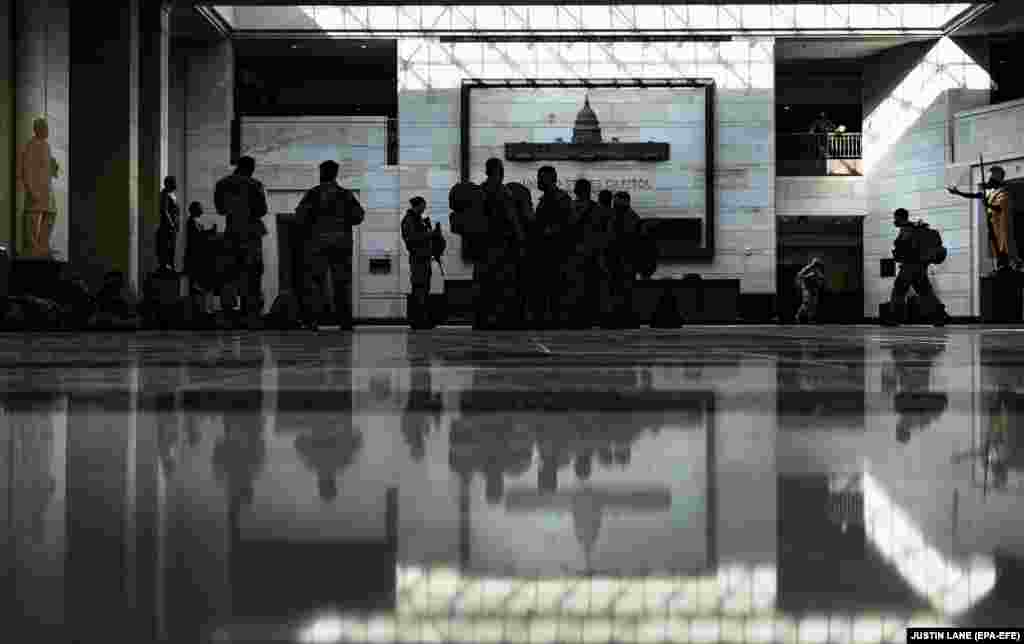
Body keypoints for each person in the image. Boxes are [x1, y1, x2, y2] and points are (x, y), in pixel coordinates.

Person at [294, 160, 365, 331]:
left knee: (315, 283)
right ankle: (345, 321)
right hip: (341, 245)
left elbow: (300, 216)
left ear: (322, 173)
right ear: (335, 174)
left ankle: (313, 321)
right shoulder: (345, 194)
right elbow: (358, 216)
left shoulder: (313, 194)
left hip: (317, 245)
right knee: (342, 283)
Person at [214, 155, 269, 329]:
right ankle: (250, 315)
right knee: (252, 275)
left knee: (229, 275)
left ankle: (229, 315)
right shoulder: (255, 185)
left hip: (232, 233)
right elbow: (262, 210)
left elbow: (220, 210)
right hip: (251, 235)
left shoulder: (223, 184)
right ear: (250, 168)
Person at [475, 158, 526, 330]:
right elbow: (511, 215)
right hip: (501, 244)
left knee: (484, 282)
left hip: (482, 244)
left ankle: (483, 318)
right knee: (502, 282)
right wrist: (520, 237)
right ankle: (499, 318)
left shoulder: (480, 189)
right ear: (499, 170)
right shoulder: (502, 191)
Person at [948, 166, 1021, 273]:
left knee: (1005, 244)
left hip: (1002, 224)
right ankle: (1001, 264)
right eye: (989, 180)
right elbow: (973, 195)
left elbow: (1000, 208)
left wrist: (988, 205)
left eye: (992, 180)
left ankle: (1013, 263)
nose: (989, 182)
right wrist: (958, 193)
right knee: (995, 245)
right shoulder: (987, 192)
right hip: (992, 223)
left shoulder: (1002, 192)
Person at [885, 208, 948, 327]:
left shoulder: (906, 229)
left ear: (900, 217)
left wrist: (898, 251)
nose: (894, 220)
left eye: (896, 217)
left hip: (910, 267)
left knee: (899, 290)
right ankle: (940, 315)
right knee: (925, 292)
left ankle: (894, 317)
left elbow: (905, 247)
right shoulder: (915, 227)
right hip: (919, 267)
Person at [534, 166, 574, 328]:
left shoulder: (559, 199)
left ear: (550, 179)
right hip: (549, 253)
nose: (538, 181)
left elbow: (568, 226)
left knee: (554, 290)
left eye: (541, 178)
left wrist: (548, 231)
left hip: (556, 253)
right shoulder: (551, 198)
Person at [16, 117, 59, 258]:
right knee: (32, 217)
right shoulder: (31, 145)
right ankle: (33, 246)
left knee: (51, 213)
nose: (47, 130)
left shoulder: (46, 145)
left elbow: (47, 166)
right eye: (45, 128)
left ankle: (42, 244)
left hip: (46, 188)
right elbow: (26, 168)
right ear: (38, 129)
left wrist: (53, 167)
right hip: (35, 188)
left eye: (47, 128)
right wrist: (31, 189)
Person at [604, 191, 641, 328]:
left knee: (620, 291)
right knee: (622, 291)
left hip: (622, 260)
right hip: (622, 261)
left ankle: (621, 318)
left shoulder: (618, 218)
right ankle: (623, 317)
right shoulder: (632, 218)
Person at [571, 179, 602, 328]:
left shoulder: (570, 207)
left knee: (576, 287)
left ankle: (578, 316)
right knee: (590, 288)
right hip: (591, 254)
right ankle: (589, 317)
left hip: (575, 253)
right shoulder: (596, 209)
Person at [402, 196, 434, 329]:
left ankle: (421, 319)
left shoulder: (417, 219)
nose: (424, 208)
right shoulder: (409, 220)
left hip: (423, 258)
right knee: (419, 288)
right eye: (423, 205)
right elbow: (412, 239)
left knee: (423, 288)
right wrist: (429, 234)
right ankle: (418, 320)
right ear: (418, 205)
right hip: (418, 259)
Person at [184, 201, 215, 316]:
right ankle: (196, 309)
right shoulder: (191, 222)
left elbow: (200, 235)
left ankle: (199, 308)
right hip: (194, 257)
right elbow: (197, 237)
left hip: (197, 257)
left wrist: (209, 232)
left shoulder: (195, 222)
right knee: (194, 283)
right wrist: (209, 232)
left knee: (197, 284)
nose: (202, 210)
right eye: (200, 208)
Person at [157, 176, 180, 272]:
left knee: (172, 248)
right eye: (173, 182)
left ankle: (171, 266)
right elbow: (164, 210)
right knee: (166, 247)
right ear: (168, 183)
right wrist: (171, 223)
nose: (175, 184)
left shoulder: (172, 194)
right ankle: (166, 267)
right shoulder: (165, 194)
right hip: (167, 227)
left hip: (173, 226)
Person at [795, 257, 826, 323]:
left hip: (814, 290)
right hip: (807, 289)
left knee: (812, 305)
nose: (817, 266)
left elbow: (821, 280)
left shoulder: (818, 271)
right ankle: (798, 317)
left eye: (818, 265)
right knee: (806, 304)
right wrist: (808, 277)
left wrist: (818, 281)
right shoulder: (808, 269)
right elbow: (800, 276)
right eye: (816, 264)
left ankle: (808, 318)